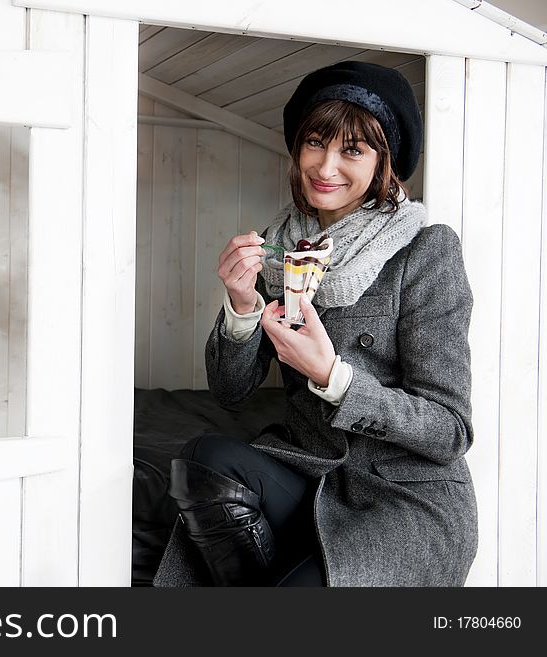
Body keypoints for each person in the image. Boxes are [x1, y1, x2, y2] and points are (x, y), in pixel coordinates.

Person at [153, 61, 478, 587]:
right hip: (309, 467)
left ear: (384, 163)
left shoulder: (424, 250)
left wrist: (334, 377)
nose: (326, 166)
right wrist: (241, 304)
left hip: (401, 496)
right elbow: (231, 392)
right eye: (315, 143)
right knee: (203, 459)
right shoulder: (280, 247)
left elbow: (451, 430)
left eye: (353, 150)